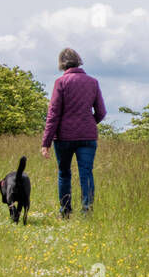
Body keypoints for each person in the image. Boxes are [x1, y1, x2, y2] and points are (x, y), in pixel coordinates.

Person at [40, 48, 107, 217]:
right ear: (78, 60)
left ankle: (65, 212)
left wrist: (45, 143)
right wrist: (89, 122)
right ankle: (87, 212)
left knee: (64, 173)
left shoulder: (61, 82)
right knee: (86, 173)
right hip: (87, 137)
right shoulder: (93, 82)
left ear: (62, 63)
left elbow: (53, 114)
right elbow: (101, 112)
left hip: (64, 137)